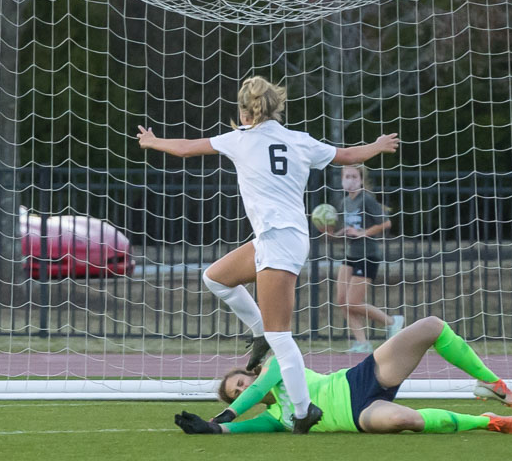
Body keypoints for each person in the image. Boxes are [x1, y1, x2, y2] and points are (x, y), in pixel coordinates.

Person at [137, 75, 398, 433]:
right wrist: (378, 145)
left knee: (281, 336)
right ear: (278, 108)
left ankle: (304, 410)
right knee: (215, 277)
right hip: (275, 239)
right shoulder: (299, 140)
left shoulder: (240, 139)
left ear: (245, 113)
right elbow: (348, 156)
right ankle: (259, 330)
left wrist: (153, 142)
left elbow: (186, 148)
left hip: (279, 240)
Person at [173, 315, 512, 435]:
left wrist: (226, 412)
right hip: (360, 415)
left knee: (431, 327)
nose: (242, 389)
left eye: (239, 382)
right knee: (407, 420)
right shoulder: (277, 418)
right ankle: (487, 421)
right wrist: (216, 428)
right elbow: (243, 428)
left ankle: (491, 383)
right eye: (236, 393)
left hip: (357, 379)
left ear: (248, 376)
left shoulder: (277, 367)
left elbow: (260, 387)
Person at [317, 165, 404, 353]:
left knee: (353, 302)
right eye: (346, 176)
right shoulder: (344, 202)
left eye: (353, 176)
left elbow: (386, 223)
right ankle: (362, 343)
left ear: (361, 179)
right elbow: (347, 232)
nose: (349, 179)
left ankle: (391, 322)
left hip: (368, 255)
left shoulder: (367, 199)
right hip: (351, 254)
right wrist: (329, 233)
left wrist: (362, 232)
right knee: (342, 300)